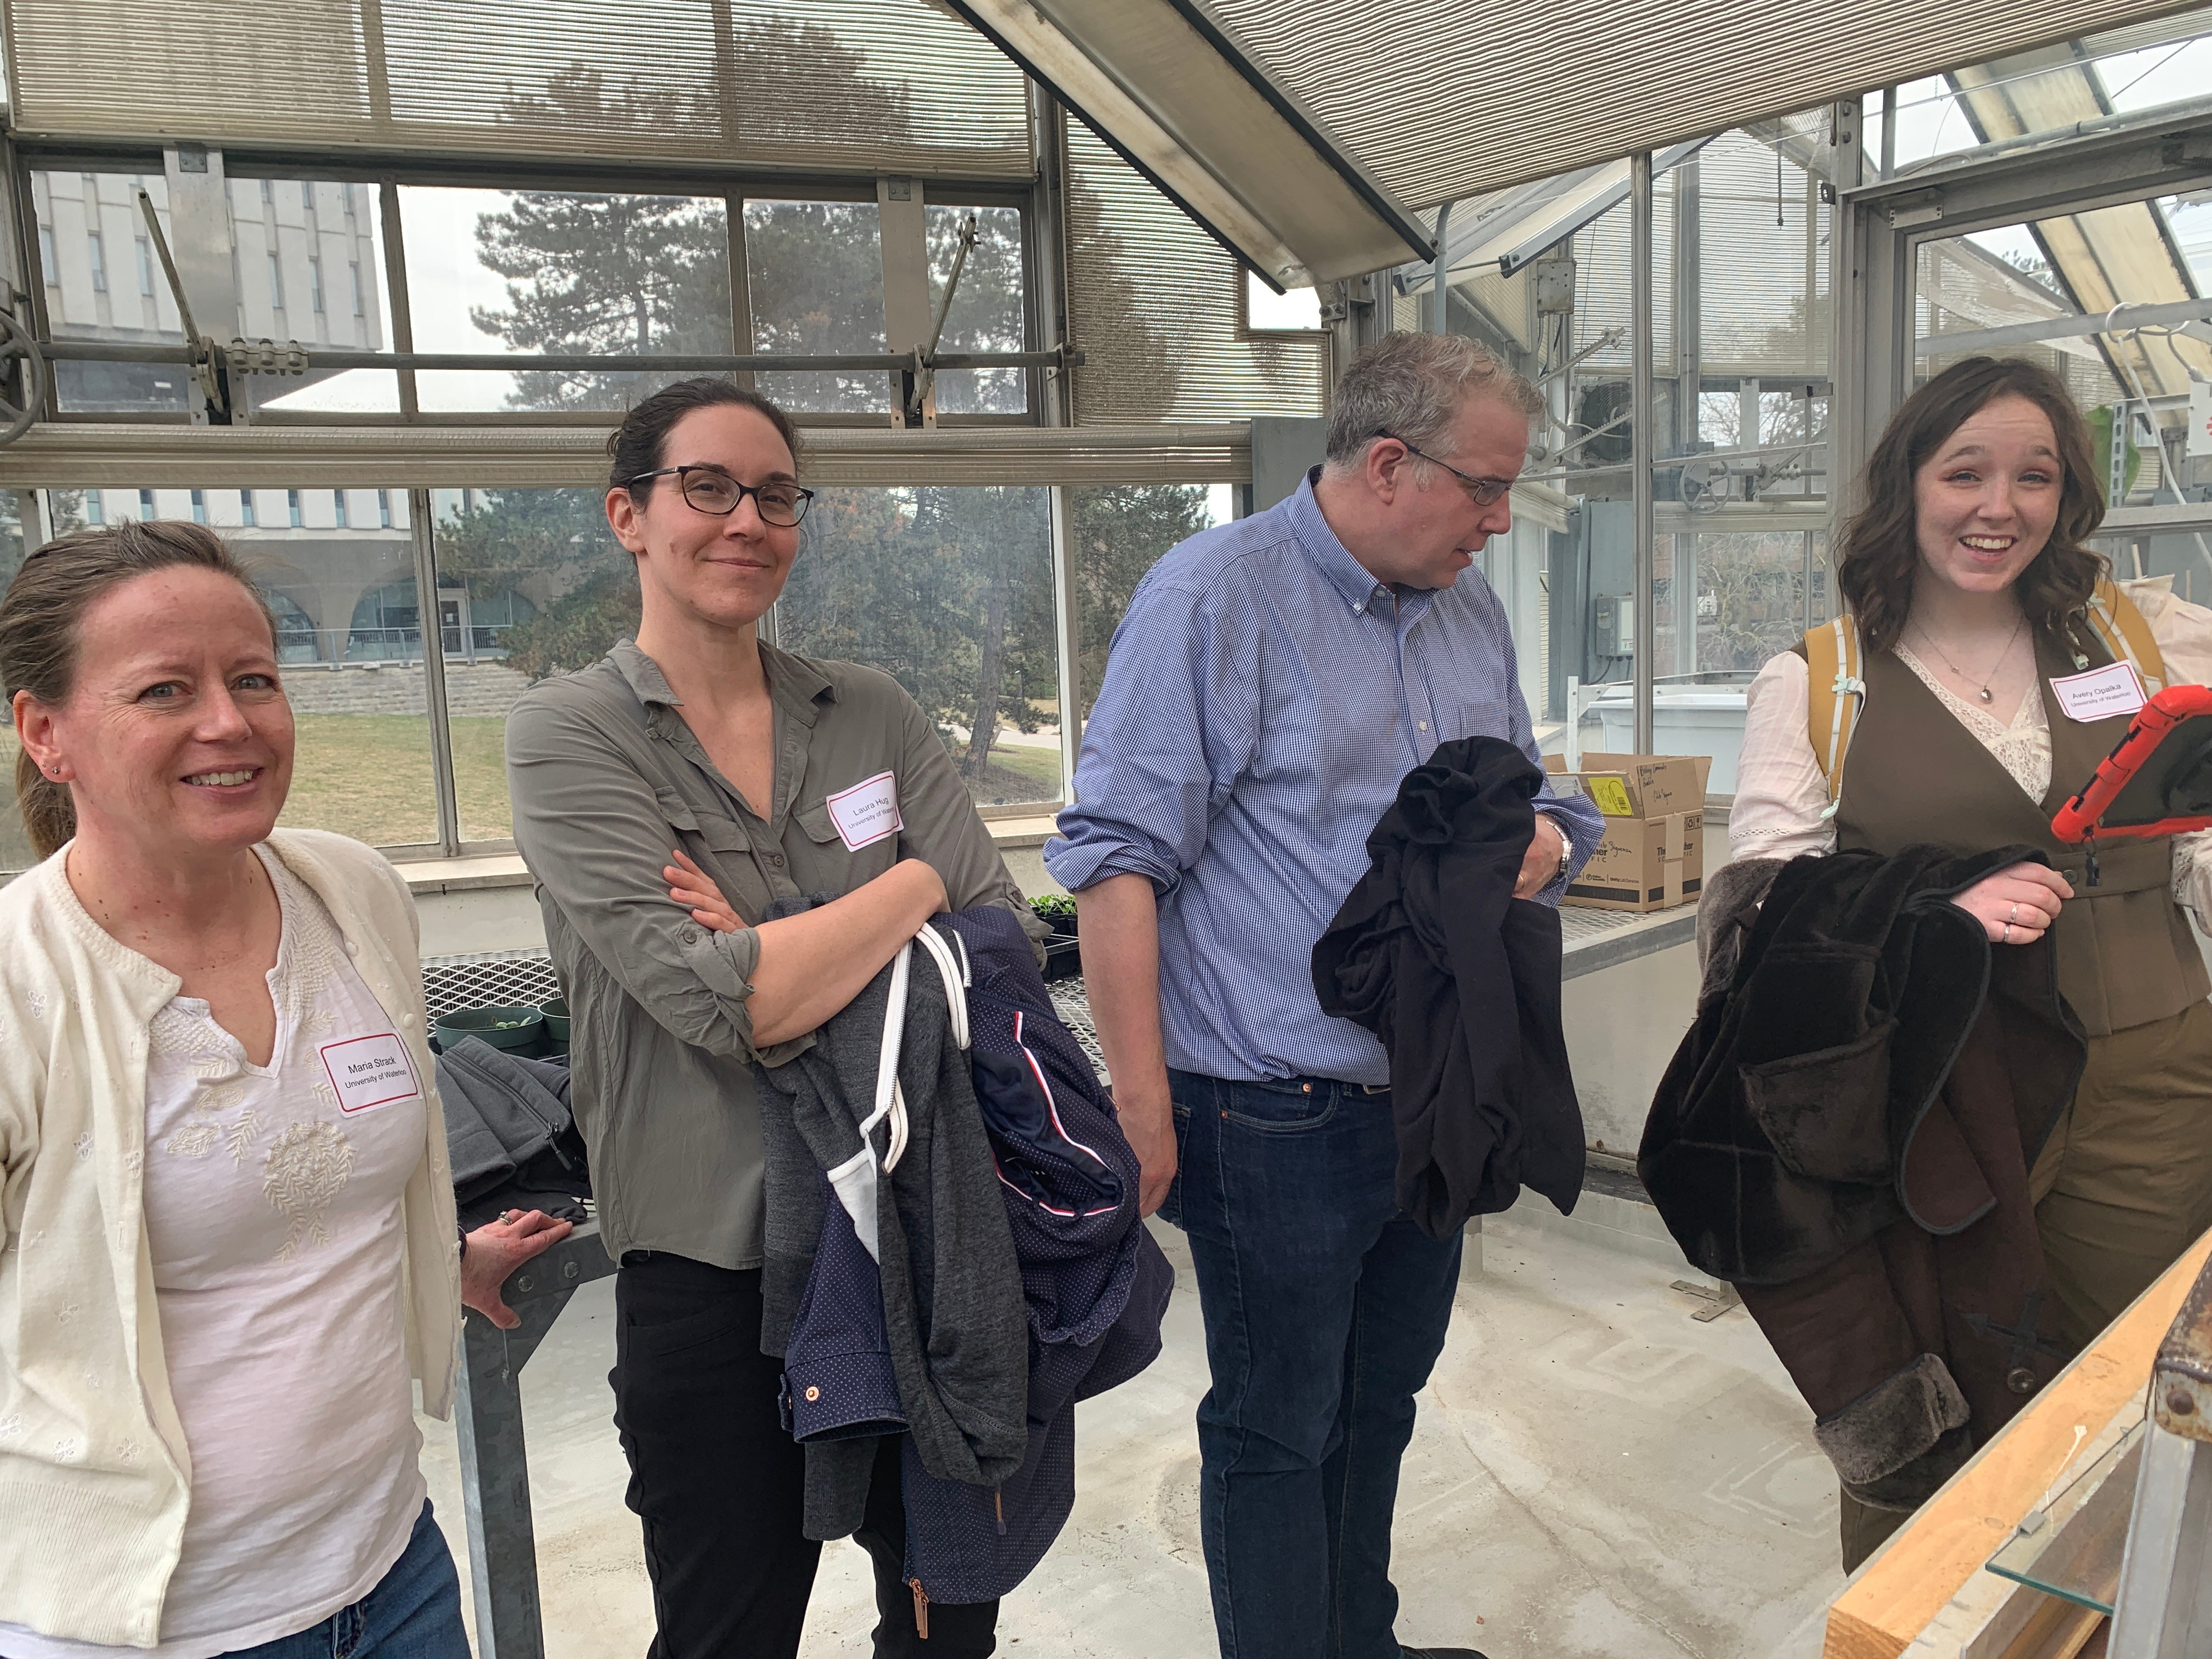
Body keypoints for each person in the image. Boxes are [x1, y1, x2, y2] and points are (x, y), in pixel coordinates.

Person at [1047, 331, 1604, 1659]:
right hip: (1268, 1108)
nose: (1501, 517)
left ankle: (1362, 1641)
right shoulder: (1215, 598)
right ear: (1392, 463)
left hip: (1428, 1089)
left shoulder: (1467, 606)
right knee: (1279, 1420)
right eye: (1485, 486)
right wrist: (1140, 1111)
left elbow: (1529, 790)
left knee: (1384, 1395)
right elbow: (1114, 863)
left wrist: (1547, 840)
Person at [504, 377, 1042, 1658]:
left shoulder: (869, 711)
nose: (747, 519)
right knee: (729, 1628)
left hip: (924, 1229)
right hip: (713, 1265)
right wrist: (905, 891)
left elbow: (997, 942)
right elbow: (715, 1005)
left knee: (944, 1612)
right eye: (708, 487)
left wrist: (798, 931)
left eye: (777, 494)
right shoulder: (567, 735)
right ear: (628, 515)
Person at [0, 521, 570, 1659]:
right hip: (150, 1625)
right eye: (166, 688)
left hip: (389, 1570)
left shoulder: (348, 891)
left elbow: (303, 1176)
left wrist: (429, 1260)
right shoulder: (22, 986)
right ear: (45, 732)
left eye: (253, 677)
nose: (231, 720)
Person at [1728, 354, 2212, 1565]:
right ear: (1908, 484)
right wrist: (1935, 902)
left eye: (2035, 476)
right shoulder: (1819, 683)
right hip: (1944, 1091)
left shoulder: (2143, 634)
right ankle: (1916, 1623)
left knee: (2148, 1385)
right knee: (1931, 1384)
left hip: (2150, 1077)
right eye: (1967, 472)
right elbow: (1755, 925)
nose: (2001, 505)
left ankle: (2101, 1624)